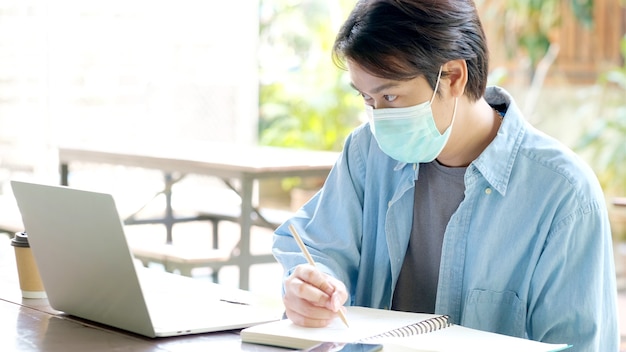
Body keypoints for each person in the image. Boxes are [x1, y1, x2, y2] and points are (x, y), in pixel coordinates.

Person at [272, 0, 619, 350]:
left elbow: (579, 344)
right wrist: (310, 286)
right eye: (367, 98)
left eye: (390, 96)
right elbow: (315, 247)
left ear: (453, 76)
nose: (377, 117)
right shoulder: (366, 153)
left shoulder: (563, 193)